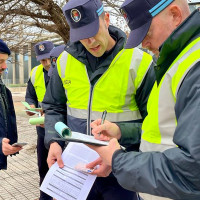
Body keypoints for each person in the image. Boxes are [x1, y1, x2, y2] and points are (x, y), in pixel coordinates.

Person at [42, 0, 156, 199]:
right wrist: (53, 141)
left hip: (121, 170)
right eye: (82, 36)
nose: (90, 42)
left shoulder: (139, 62)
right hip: (77, 169)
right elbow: (53, 106)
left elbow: (155, 126)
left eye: (93, 32)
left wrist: (120, 146)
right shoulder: (64, 61)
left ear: (107, 19)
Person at [87, 0, 200, 200]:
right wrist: (121, 131)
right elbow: (163, 131)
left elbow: (193, 172)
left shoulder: (194, 68)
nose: (144, 44)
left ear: (175, 15)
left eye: (146, 33)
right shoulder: (175, 60)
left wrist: (119, 160)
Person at [25, 41, 54, 200]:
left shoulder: (63, 70)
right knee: (43, 167)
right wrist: (30, 105)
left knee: (62, 168)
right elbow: (30, 94)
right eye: (43, 60)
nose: (47, 63)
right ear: (38, 59)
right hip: (42, 130)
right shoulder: (35, 73)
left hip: (60, 129)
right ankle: (45, 197)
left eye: (50, 58)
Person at [0, 39, 22, 170]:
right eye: (0, 61)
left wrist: (10, 141)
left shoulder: (3, 89)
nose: (5, 66)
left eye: (5, 61)